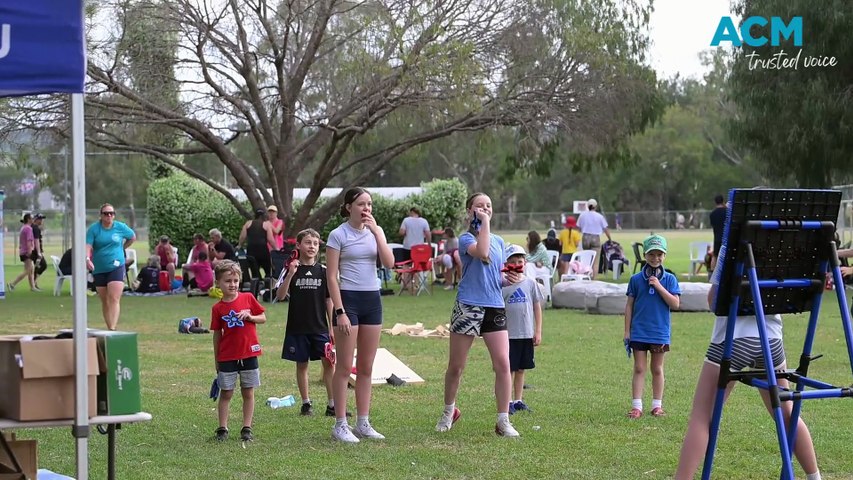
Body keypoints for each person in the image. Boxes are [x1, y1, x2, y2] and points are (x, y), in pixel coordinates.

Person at [675, 242, 822, 480]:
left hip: (733, 339)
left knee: (702, 417)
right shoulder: (782, 245)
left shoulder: (732, 244)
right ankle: (815, 477)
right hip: (771, 340)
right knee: (786, 412)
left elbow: (714, 301)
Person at [435, 192, 520, 437]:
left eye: (489, 206)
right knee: (456, 366)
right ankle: (449, 410)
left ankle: (503, 421)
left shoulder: (500, 242)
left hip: (494, 306)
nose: (485, 209)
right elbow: (482, 253)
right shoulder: (464, 239)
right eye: (479, 206)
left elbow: (495, 274)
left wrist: (509, 278)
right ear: (469, 211)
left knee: (503, 364)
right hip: (468, 306)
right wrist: (485, 224)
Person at [326, 187, 394, 442]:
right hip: (349, 301)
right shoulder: (338, 235)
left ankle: (363, 423)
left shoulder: (375, 233)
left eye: (370, 204)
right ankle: (340, 424)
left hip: (372, 300)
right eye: (362, 204)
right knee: (344, 367)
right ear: (348, 207)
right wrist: (340, 311)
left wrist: (377, 233)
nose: (367, 209)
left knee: (366, 367)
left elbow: (389, 264)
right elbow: (331, 277)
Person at [276, 228, 336, 417]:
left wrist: (331, 327)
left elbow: (329, 300)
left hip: (320, 327)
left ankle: (332, 404)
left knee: (329, 363)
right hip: (298, 327)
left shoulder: (324, 271)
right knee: (302, 365)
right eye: (308, 242)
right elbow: (280, 295)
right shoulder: (290, 269)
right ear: (299, 245)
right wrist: (291, 273)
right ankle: (306, 403)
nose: (312, 246)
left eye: (316, 244)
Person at [624, 234, 681, 419]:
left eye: (659, 254)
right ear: (645, 255)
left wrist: (658, 286)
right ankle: (636, 406)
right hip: (639, 332)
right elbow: (629, 306)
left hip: (659, 333)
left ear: (664, 255)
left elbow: (675, 304)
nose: (655, 259)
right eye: (651, 254)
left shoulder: (670, 279)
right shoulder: (635, 279)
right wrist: (627, 331)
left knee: (657, 369)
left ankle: (657, 405)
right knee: (639, 368)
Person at [210, 260, 267, 442]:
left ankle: (246, 427)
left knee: (248, 391)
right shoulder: (217, 308)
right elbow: (217, 334)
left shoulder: (248, 298)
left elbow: (263, 317)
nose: (232, 284)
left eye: (235, 280)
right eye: (228, 281)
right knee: (226, 392)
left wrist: (250, 316)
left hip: (249, 353)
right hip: (227, 356)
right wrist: (217, 359)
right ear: (218, 282)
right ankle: (222, 428)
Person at [502, 245, 543, 414]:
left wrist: (538, 330)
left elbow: (537, 307)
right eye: (512, 262)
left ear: (525, 263)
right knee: (509, 369)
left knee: (521, 368)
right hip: (509, 334)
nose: (517, 264)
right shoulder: (503, 284)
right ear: (506, 264)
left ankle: (518, 400)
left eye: (520, 261)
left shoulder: (530, 283)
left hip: (526, 333)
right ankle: (508, 401)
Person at [86, 204, 135, 330]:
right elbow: (88, 246)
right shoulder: (94, 229)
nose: (109, 216)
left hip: (116, 265)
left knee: (114, 297)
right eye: (106, 213)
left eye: (111, 213)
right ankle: (110, 328)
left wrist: (122, 248)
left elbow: (132, 237)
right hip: (99, 267)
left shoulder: (120, 227)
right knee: (105, 299)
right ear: (101, 215)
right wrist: (87, 259)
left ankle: (113, 328)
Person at [237, 209, 277, 278]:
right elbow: (270, 239)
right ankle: (267, 284)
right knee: (267, 269)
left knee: (254, 270)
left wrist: (240, 245)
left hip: (251, 249)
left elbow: (242, 236)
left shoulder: (248, 223)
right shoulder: (266, 224)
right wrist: (276, 248)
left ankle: (256, 284)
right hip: (262, 249)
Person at [399, 207, 431, 289]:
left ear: (411, 212)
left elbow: (401, 232)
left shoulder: (406, 220)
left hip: (408, 246)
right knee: (417, 265)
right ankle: (416, 284)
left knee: (406, 265)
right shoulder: (424, 221)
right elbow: (428, 233)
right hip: (419, 248)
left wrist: (406, 232)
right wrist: (429, 245)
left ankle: (405, 284)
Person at [8, 213, 37, 292]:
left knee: (31, 269)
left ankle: (32, 287)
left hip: (23, 251)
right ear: (28, 219)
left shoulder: (24, 228)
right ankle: (12, 284)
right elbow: (29, 241)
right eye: (32, 218)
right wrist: (29, 252)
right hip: (26, 252)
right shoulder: (28, 228)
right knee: (28, 270)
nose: (33, 219)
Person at [709, 194, 727, 272]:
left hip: (717, 237)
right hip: (726, 238)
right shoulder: (727, 213)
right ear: (723, 201)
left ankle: (712, 272)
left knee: (715, 256)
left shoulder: (712, 214)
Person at [31, 213, 47, 289]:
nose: (41, 221)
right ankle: (33, 282)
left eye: (42, 219)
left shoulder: (33, 227)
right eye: (40, 219)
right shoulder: (35, 228)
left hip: (35, 251)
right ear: (36, 219)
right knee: (43, 265)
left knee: (36, 267)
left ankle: (34, 284)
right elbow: (36, 241)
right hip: (36, 252)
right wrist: (39, 252)